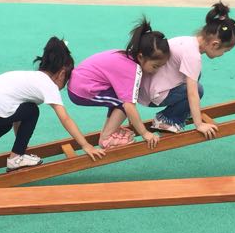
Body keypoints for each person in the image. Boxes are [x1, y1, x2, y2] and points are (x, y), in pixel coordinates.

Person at [0, 38, 106, 174]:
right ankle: (16, 159)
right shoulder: (49, 85)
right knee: (32, 110)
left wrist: (20, 144)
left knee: (5, 124)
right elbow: (65, 118)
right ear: (62, 73)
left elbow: (17, 115)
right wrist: (85, 145)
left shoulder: (30, 77)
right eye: (66, 80)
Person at [67, 19, 171, 150]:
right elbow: (128, 106)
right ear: (140, 57)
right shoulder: (133, 69)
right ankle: (106, 138)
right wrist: (145, 133)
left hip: (81, 83)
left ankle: (109, 131)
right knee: (125, 103)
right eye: (155, 66)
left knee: (122, 99)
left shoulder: (126, 56)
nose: (156, 71)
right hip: (81, 91)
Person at [139, 2, 235, 136]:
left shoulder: (187, 41)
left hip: (145, 89)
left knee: (196, 75)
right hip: (151, 95)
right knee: (198, 89)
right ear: (215, 44)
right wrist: (199, 124)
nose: (222, 54)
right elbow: (192, 93)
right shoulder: (193, 56)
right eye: (224, 51)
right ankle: (166, 120)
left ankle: (179, 112)